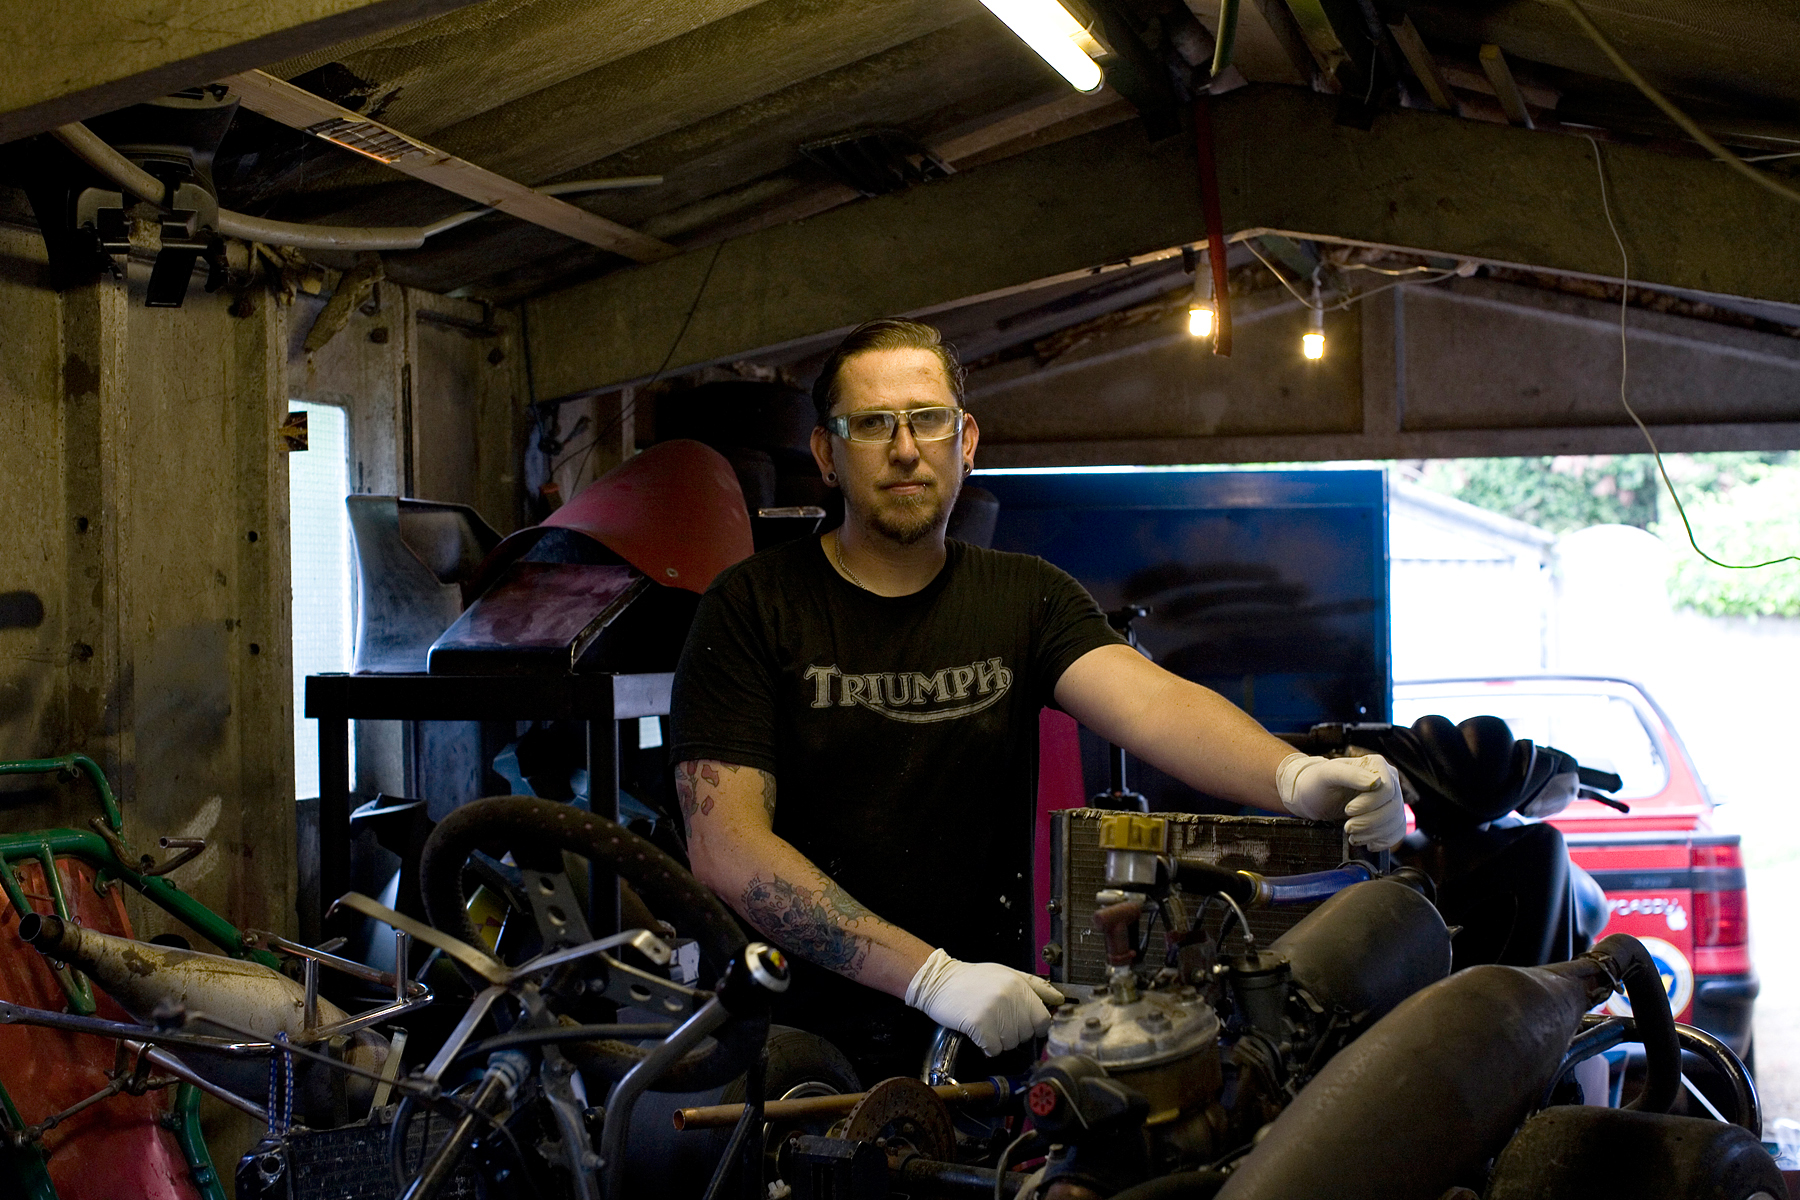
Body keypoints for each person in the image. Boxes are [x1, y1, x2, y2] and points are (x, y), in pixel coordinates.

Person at [669, 318, 1404, 1082]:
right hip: (794, 1046)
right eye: (871, 424)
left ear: (967, 440)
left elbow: (1151, 704)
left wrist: (1293, 777)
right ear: (826, 453)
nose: (905, 447)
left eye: (928, 418)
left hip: (988, 1032)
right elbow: (727, 848)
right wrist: (929, 976)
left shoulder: (1025, 598)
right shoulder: (753, 606)